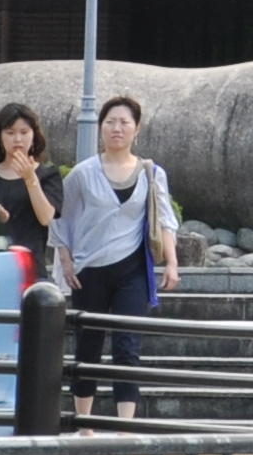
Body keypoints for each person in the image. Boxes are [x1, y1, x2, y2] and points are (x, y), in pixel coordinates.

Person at [56, 94, 179, 414]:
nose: (117, 128)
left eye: (124, 122)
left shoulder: (152, 173)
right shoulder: (83, 173)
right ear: (100, 128)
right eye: (110, 122)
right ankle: (84, 423)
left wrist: (172, 263)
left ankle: (125, 427)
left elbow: (165, 219)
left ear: (137, 129)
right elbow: (60, 218)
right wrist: (66, 260)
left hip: (132, 269)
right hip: (89, 268)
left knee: (127, 345)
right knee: (89, 345)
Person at [0, 101, 59, 264]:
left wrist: (30, 179)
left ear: (33, 135)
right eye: (10, 133)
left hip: (30, 266)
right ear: (0, 137)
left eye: (24, 132)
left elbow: (46, 218)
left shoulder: (48, 175)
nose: (18, 139)